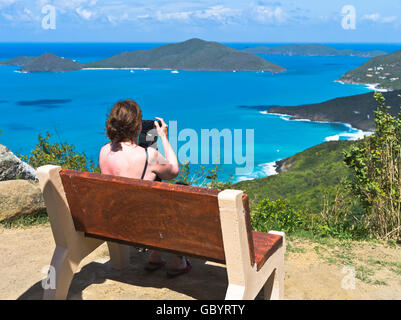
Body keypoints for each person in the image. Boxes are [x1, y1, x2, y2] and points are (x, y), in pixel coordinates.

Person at [99, 99, 192, 278]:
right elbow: (174, 171)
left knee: (155, 186)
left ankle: (156, 255)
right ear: (138, 126)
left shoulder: (104, 151)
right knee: (182, 193)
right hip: (143, 226)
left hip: (114, 221)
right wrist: (163, 136)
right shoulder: (149, 155)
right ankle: (179, 261)